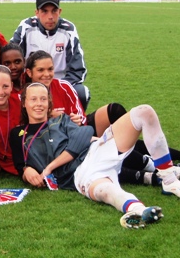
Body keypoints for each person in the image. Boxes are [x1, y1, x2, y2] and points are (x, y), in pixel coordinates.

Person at [10, 83, 180, 229]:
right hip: (80, 173)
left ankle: (169, 180)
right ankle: (138, 210)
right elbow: (21, 165)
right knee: (105, 191)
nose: (39, 104)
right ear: (24, 103)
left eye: (43, 99)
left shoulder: (60, 120)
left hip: (97, 150)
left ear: (49, 103)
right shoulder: (18, 134)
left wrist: (49, 167)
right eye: (33, 99)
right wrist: (27, 171)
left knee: (144, 112)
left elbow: (83, 135)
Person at [10, 0, 90, 110]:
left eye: (54, 11)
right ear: (37, 13)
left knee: (82, 92)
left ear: (60, 11)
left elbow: (78, 69)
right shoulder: (26, 27)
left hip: (60, 82)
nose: (50, 16)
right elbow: (11, 55)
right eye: (45, 11)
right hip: (32, 82)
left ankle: (75, 121)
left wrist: (58, 87)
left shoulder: (69, 30)